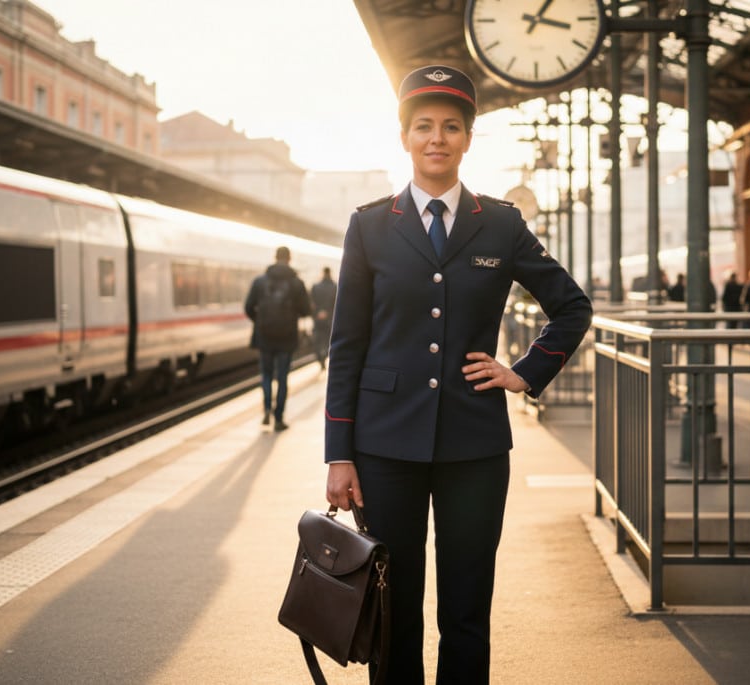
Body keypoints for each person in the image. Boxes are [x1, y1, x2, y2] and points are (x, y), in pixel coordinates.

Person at [323, 65, 592, 684]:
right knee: (393, 608)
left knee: (467, 608)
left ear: (468, 138)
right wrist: (340, 453)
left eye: (450, 126)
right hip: (384, 447)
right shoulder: (368, 226)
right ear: (404, 137)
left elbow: (572, 306)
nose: (436, 138)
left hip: (474, 446)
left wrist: (524, 373)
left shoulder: (499, 222)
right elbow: (348, 345)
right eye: (423, 126)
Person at [244, 246, 311, 431]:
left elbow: (248, 307)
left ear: (275, 258)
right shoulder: (297, 283)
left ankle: (266, 409)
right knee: (282, 377)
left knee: (266, 375)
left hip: (264, 336)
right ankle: (279, 418)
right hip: (287, 336)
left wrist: (259, 322)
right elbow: (306, 310)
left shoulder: (259, 281)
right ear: (289, 259)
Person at [310, 267, 337, 369]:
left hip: (318, 318)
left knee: (318, 339)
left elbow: (311, 303)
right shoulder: (335, 287)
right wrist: (328, 313)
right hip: (331, 319)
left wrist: (318, 313)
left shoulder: (315, 287)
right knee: (328, 339)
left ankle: (320, 357)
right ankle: (325, 355)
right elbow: (337, 305)